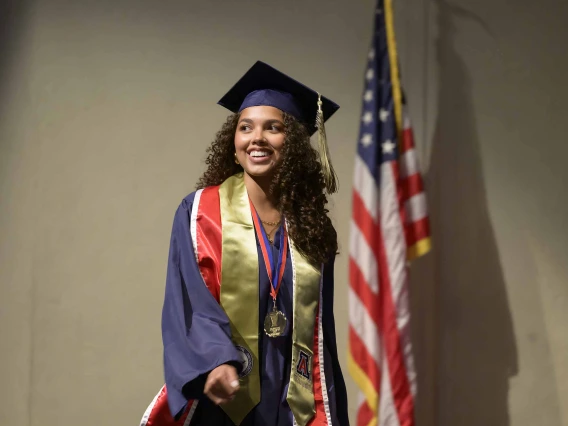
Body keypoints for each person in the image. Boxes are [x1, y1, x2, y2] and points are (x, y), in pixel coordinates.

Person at [140, 61, 349, 426]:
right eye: (245, 127)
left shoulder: (311, 227)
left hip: (291, 402)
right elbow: (189, 301)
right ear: (233, 141)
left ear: (295, 142)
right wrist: (216, 359)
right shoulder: (200, 213)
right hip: (225, 396)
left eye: (274, 128)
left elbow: (320, 334)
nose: (257, 138)